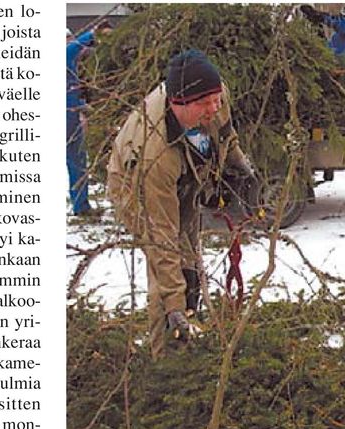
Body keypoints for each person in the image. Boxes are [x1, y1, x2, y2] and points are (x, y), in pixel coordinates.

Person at [107, 49, 260, 360]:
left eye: (217, 100)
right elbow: (161, 238)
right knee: (169, 268)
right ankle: (165, 360)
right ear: (178, 104)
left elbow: (225, 134)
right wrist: (174, 305)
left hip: (184, 176)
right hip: (137, 191)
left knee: (191, 261)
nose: (214, 108)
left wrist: (242, 167)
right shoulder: (155, 154)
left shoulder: (212, 94)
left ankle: (189, 320)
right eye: (204, 104)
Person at [66, 24, 108, 216]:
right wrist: (94, 32)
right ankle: (80, 206)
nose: (72, 44)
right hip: (66, 115)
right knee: (76, 159)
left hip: (71, 112)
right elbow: (74, 47)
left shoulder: (71, 64)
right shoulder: (64, 56)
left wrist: (82, 104)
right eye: (67, 40)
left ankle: (81, 204)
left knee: (77, 159)